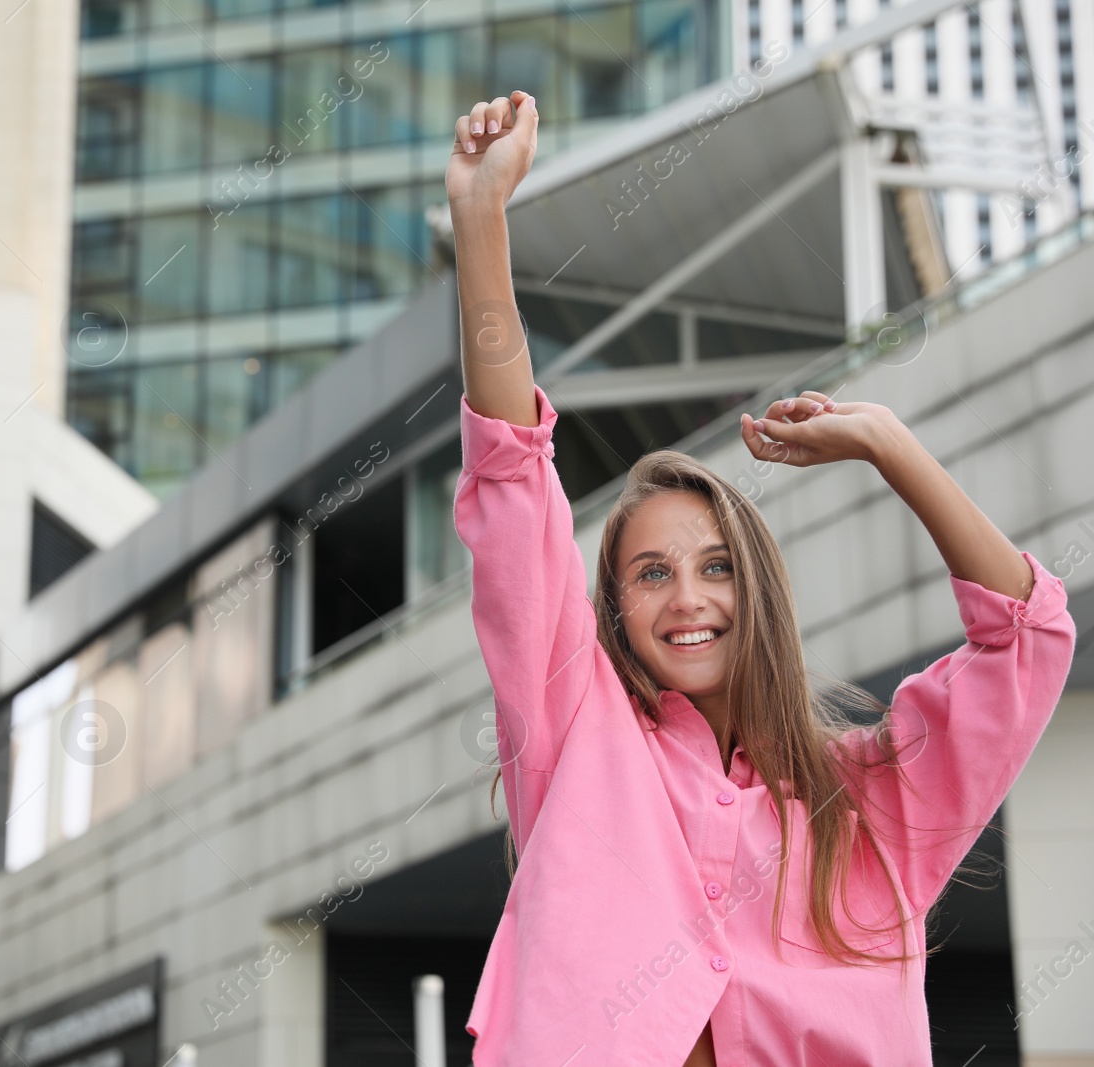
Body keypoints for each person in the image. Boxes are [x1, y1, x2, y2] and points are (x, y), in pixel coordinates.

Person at [447, 89, 1077, 1066]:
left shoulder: (869, 801)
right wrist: (481, 219)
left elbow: (1025, 642)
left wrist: (889, 445)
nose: (688, 597)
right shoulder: (578, 740)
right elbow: (512, 481)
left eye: (714, 565)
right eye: (650, 572)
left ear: (758, 593)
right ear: (613, 609)